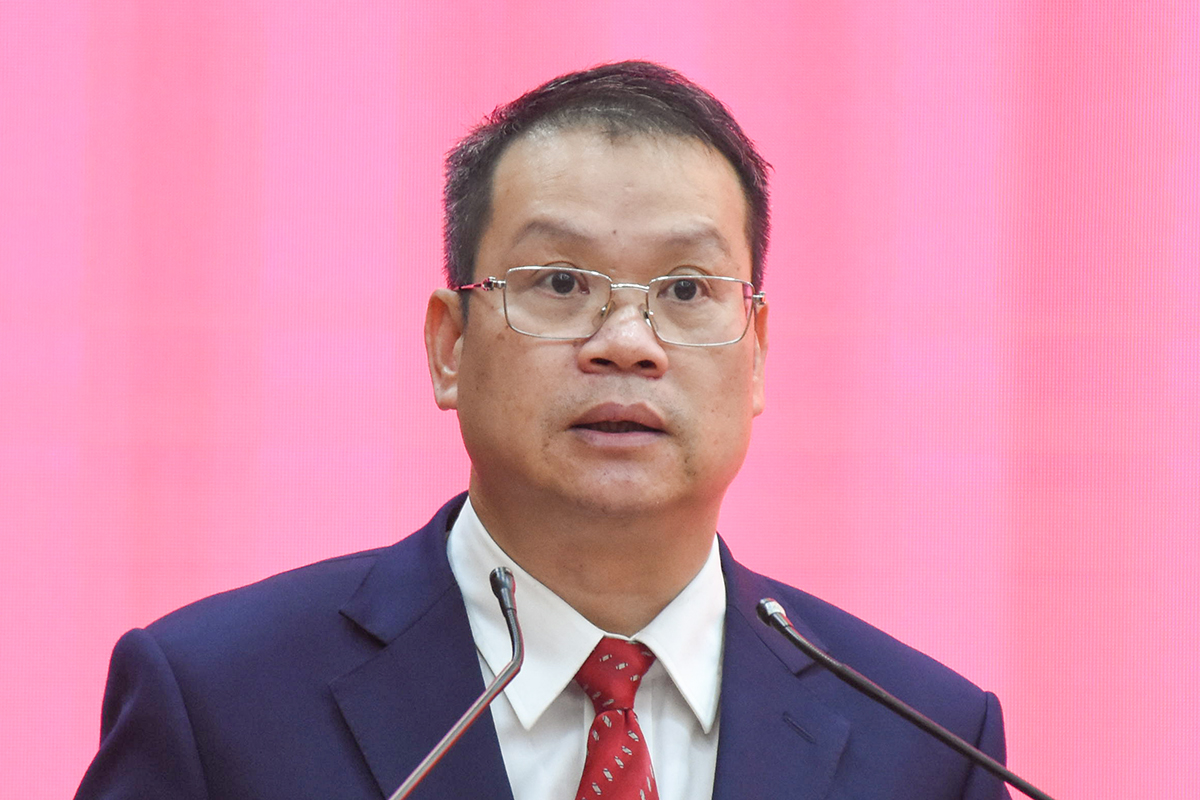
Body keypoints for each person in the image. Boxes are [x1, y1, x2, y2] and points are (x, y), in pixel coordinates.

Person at [75, 61, 1011, 799]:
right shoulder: (221, 704)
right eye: (561, 283)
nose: (628, 342)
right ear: (450, 345)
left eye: (687, 289)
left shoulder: (926, 743)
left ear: (757, 354)